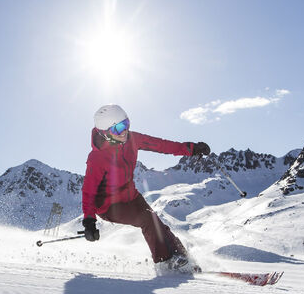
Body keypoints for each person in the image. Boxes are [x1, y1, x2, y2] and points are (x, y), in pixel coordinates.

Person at [82, 104, 211, 275]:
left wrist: (190, 148)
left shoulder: (132, 139)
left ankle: (184, 258)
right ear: (105, 133)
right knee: (147, 219)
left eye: (126, 124)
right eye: (119, 127)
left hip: (131, 196)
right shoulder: (97, 158)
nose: (125, 131)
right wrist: (89, 221)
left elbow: (161, 145)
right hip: (108, 206)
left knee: (158, 225)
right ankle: (166, 263)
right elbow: (88, 191)